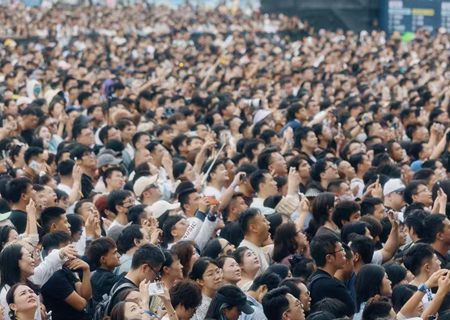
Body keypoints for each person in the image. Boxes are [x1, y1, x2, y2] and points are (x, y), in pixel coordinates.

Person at [41, 233, 92, 320]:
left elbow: (86, 295)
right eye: (67, 251)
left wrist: (86, 270)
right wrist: (83, 298)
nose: (72, 255)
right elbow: (81, 305)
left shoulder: (64, 268)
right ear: (53, 253)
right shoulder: (54, 276)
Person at [307, 234, 355, 317]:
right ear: (329, 258)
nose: (344, 254)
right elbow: (351, 311)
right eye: (341, 250)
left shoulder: (312, 280)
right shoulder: (333, 286)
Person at [87, 237, 123, 309]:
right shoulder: (106, 279)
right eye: (115, 253)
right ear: (103, 259)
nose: (119, 255)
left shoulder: (96, 275)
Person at [238, 208, 271, 274]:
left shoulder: (255, 247)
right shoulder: (247, 253)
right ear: (253, 228)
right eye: (264, 221)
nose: (268, 223)